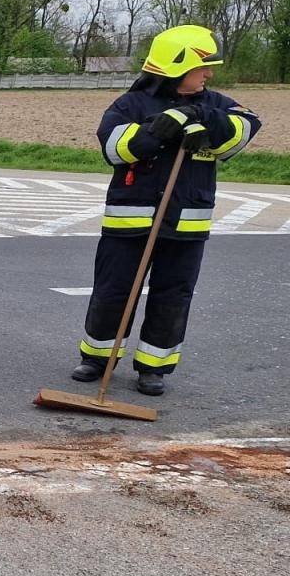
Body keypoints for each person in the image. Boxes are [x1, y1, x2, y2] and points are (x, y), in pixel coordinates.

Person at [72, 24, 261, 396]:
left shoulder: (217, 104)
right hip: (129, 222)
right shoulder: (131, 104)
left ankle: (153, 367)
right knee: (113, 291)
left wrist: (203, 118)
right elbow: (113, 148)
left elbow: (246, 127)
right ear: (179, 65)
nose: (208, 74)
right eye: (202, 66)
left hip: (186, 223)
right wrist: (157, 131)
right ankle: (97, 359)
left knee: (173, 296)